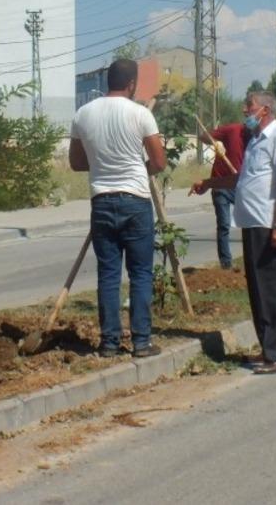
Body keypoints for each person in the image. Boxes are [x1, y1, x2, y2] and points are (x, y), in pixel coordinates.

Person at [192, 91, 276, 374]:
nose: (244, 109)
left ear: (264, 110)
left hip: (268, 225)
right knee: (257, 290)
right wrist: (209, 183)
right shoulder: (254, 142)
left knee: (272, 290)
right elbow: (242, 178)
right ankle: (267, 351)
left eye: (249, 105)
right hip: (252, 225)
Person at [69, 58, 167, 358]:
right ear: (132, 84)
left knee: (108, 274)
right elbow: (159, 162)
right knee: (140, 273)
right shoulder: (140, 115)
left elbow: (76, 163)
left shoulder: (83, 114)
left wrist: (102, 165)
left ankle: (109, 343)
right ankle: (141, 342)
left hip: (101, 200)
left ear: (106, 81)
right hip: (135, 201)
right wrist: (138, 168)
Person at [197, 120, 249, 269]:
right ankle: (226, 264)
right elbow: (203, 136)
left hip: (240, 184)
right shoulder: (233, 129)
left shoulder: (258, 138)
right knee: (224, 224)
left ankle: (250, 259)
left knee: (249, 223)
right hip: (220, 184)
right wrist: (215, 143)